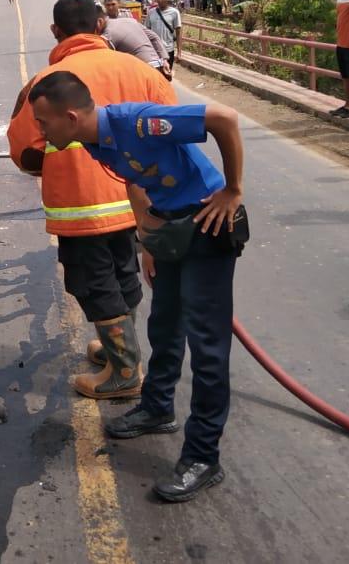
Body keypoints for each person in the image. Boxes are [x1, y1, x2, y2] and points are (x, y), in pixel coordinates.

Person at [27, 69, 245, 503]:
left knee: (207, 347)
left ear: (70, 117)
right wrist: (147, 235)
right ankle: (158, 407)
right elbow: (134, 174)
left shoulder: (139, 122)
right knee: (164, 325)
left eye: (43, 122)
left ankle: (203, 457)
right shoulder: (94, 139)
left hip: (207, 224)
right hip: (170, 230)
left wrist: (233, 190)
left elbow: (224, 118)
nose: (40, 132)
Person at [8, 0, 176, 402]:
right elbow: (172, 130)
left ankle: (124, 371)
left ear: (55, 31)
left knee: (95, 283)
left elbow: (23, 148)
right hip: (136, 201)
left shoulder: (49, 83)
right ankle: (119, 349)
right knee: (124, 273)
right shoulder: (141, 71)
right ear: (100, 25)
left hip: (83, 205)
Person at [102, 0, 172, 78]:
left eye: (113, 4)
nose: (110, 8)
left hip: (136, 59)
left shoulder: (127, 15)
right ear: (104, 5)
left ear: (119, 3)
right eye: (108, 5)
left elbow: (148, 35)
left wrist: (164, 58)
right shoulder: (103, 21)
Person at [145, 0, 182, 74]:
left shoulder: (174, 12)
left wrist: (179, 52)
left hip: (168, 50)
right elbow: (146, 31)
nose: (159, 1)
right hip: (154, 51)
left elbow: (179, 33)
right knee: (153, 75)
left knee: (166, 76)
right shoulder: (151, 12)